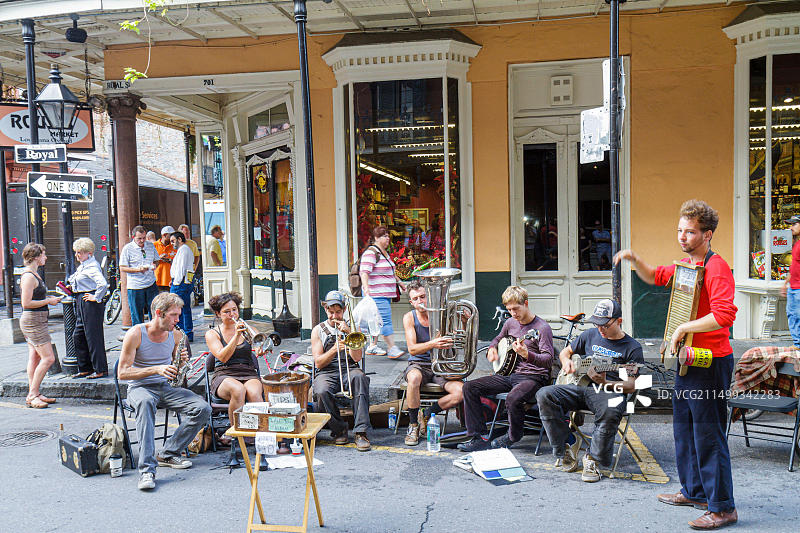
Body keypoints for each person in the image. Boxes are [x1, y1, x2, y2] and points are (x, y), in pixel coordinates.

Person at [614, 199, 738, 529]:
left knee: (708, 435)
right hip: (687, 361)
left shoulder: (717, 268)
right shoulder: (687, 266)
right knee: (684, 430)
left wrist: (684, 327)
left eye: (690, 232)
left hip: (709, 363)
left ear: (707, 234)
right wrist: (635, 260)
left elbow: (725, 315)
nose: (682, 236)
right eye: (679, 230)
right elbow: (655, 276)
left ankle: (723, 508)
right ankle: (695, 491)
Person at [536, 299, 644, 483]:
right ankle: (567, 445)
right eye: (597, 323)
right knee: (544, 395)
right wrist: (566, 361)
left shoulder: (632, 347)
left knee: (610, 410)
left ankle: (592, 459)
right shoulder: (590, 335)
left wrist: (606, 382)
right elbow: (565, 351)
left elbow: (631, 385)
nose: (600, 329)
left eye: (605, 325)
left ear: (619, 321)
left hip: (608, 391)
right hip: (580, 386)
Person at [117, 292, 211, 491]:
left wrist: (181, 360)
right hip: (139, 387)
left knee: (203, 408)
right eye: (174, 315)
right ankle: (147, 471)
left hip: (165, 387)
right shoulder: (136, 333)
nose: (178, 320)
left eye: (179, 315)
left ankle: (168, 452)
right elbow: (122, 373)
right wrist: (156, 369)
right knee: (145, 403)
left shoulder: (176, 334)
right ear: (159, 313)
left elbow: (176, 367)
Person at [458, 286, 554, 452]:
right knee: (469, 387)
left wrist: (527, 355)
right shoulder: (510, 323)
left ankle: (513, 435)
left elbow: (548, 360)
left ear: (526, 303)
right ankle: (478, 437)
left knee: (512, 398)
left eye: (516, 309)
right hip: (509, 374)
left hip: (533, 377)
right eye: (509, 309)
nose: (513, 313)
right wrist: (492, 348)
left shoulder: (542, 328)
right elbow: (497, 338)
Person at [401, 281, 464, 446]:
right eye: (416, 299)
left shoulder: (443, 315)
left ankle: (428, 412)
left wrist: (464, 322)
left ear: (428, 297)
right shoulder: (409, 317)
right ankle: (413, 424)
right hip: (419, 364)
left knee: (461, 392)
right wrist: (433, 343)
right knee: (413, 379)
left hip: (441, 365)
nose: (420, 301)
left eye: (423, 297)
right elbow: (412, 349)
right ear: (411, 302)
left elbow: (458, 339)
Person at [311, 290, 371, 451]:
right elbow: (318, 363)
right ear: (326, 310)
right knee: (321, 390)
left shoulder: (352, 327)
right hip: (327, 371)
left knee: (360, 378)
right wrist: (333, 350)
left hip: (349, 368)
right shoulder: (318, 330)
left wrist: (349, 332)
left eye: (338, 312)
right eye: (331, 312)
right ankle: (339, 429)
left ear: (344, 310)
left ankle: (361, 432)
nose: (334, 316)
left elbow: (357, 358)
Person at [205, 292, 264, 425]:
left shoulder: (249, 329)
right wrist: (236, 336)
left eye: (234, 310)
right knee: (238, 390)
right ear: (218, 314)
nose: (232, 314)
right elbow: (222, 357)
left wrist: (261, 350)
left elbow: (258, 346)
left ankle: (260, 431)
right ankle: (235, 432)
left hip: (248, 372)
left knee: (254, 393)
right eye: (226, 312)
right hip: (224, 374)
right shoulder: (212, 334)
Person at [19, 243, 61, 408]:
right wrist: (49, 301)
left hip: (37, 320)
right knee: (49, 358)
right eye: (43, 254)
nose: (46, 257)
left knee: (35, 356)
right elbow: (26, 302)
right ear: (36, 257)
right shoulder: (29, 276)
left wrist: (48, 298)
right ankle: (32, 394)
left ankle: (35, 392)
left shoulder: (34, 274)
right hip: (33, 321)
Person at [359, 225, 406, 359]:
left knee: (375, 320)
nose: (388, 238)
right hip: (376, 294)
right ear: (376, 238)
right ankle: (392, 348)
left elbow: (390, 271)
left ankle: (372, 346)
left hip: (384, 293)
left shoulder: (383, 253)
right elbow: (364, 272)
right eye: (384, 236)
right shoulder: (371, 252)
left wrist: (400, 282)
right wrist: (366, 287)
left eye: (388, 236)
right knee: (385, 320)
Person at [68, 237, 109, 379]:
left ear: (88, 253)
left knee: (93, 336)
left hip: (89, 302)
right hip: (82, 300)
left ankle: (100, 369)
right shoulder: (84, 265)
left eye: (80, 252)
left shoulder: (91, 266)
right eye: (76, 252)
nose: (77, 255)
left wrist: (95, 297)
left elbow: (103, 284)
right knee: (79, 335)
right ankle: (86, 367)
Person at [119, 225, 159, 326]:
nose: (142, 241)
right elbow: (122, 267)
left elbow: (156, 260)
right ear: (133, 237)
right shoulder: (127, 249)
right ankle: (139, 337)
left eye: (144, 238)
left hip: (151, 283)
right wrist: (137, 270)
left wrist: (154, 265)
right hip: (135, 286)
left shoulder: (150, 245)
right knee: (137, 314)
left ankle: (154, 334)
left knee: (155, 311)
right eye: (139, 238)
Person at [169, 231, 194, 342]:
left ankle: (182, 333)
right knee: (185, 308)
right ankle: (187, 333)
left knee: (178, 308)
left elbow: (181, 268)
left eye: (173, 241)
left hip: (181, 282)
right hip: (183, 281)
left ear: (179, 239)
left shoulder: (183, 250)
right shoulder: (184, 249)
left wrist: (176, 282)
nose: (172, 243)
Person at [781, 214, 800, 348]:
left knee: (797, 315)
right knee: (792, 315)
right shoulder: (797, 244)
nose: (791, 227)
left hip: (798, 287)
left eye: (794, 224)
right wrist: (786, 283)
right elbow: (794, 265)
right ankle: (797, 343)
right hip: (793, 287)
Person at [154, 226, 177, 292]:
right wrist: (159, 258)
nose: (173, 237)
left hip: (170, 281)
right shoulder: (154, 245)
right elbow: (148, 261)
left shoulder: (174, 246)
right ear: (164, 235)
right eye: (171, 235)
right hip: (157, 280)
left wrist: (170, 260)